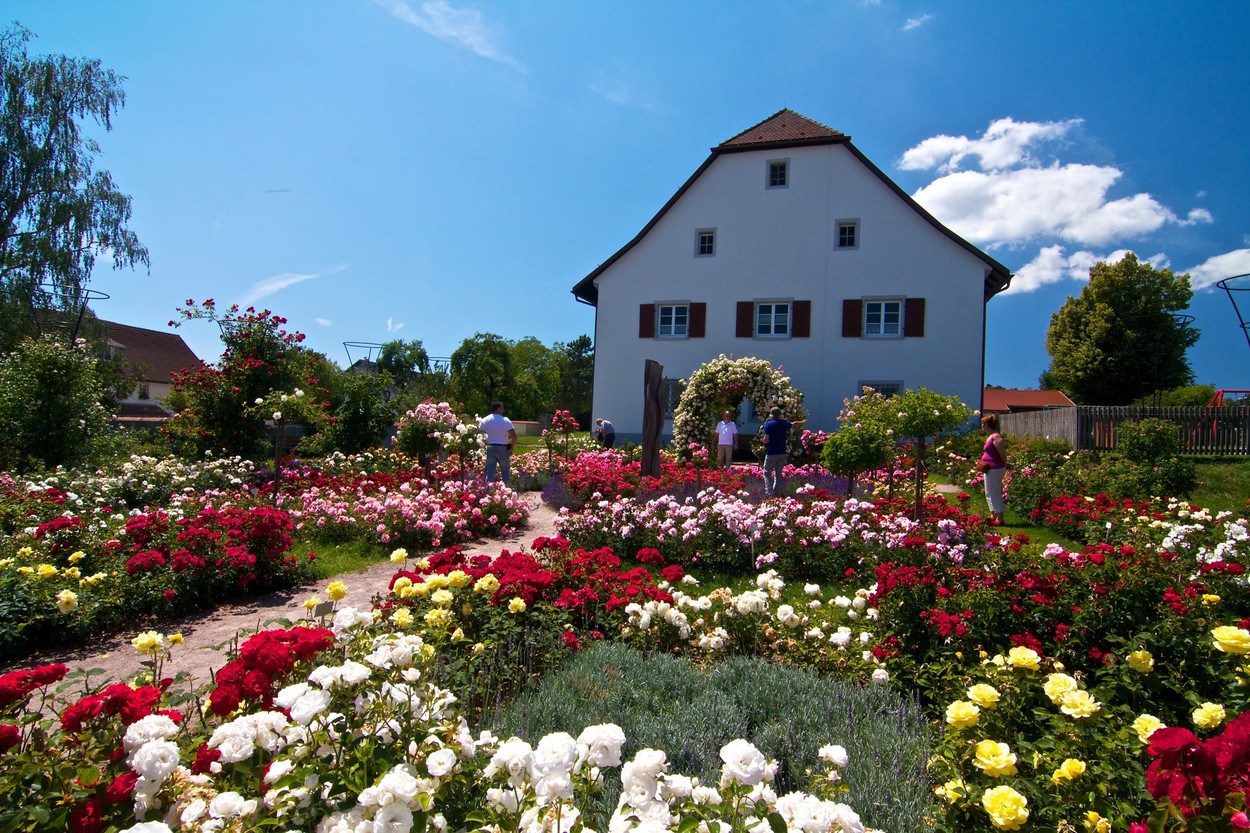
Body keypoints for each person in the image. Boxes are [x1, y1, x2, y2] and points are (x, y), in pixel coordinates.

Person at [761, 406, 804, 497]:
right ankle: (776, 493)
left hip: (772, 452)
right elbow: (794, 423)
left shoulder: (769, 424)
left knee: (767, 472)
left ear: (772, 415)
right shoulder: (784, 423)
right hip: (782, 451)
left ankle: (769, 492)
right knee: (778, 474)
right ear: (780, 415)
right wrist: (802, 422)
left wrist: (763, 441)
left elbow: (766, 439)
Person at [979, 413, 1008, 525]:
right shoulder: (990, 436)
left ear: (987, 424)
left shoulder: (996, 437)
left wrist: (1005, 464)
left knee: (994, 493)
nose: (982, 425)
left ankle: (1000, 519)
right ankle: (993, 514)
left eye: (983, 423)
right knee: (989, 492)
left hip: (995, 468)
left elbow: (1002, 454)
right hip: (988, 468)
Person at [478, 401, 517, 484]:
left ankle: (489, 489)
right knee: (505, 472)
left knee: (490, 472)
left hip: (490, 446)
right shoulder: (505, 420)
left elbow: (478, 433)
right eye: (502, 408)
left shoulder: (485, 419)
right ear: (498, 408)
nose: (503, 410)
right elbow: (514, 436)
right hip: (503, 447)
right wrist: (511, 448)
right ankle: (507, 488)